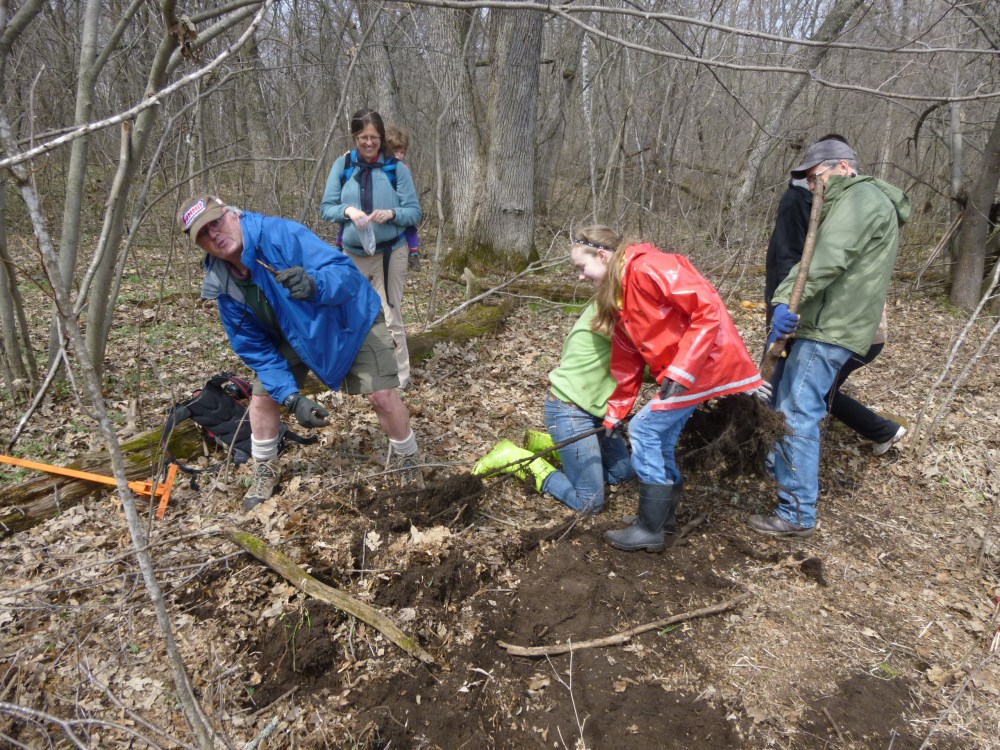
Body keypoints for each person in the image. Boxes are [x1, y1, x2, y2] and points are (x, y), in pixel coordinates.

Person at [177, 194, 423, 511]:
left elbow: (346, 274)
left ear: (232, 214)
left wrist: (315, 283)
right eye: (203, 234)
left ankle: (408, 459)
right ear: (199, 245)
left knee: (382, 396)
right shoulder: (223, 284)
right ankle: (264, 470)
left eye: (216, 223)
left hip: (348, 318)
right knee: (262, 397)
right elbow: (255, 349)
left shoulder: (278, 235)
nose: (215, 235)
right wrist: (292, 400)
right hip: (294, 333)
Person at [752, 137, 911, 539]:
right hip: (825, 323)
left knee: (796, 412)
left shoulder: (860, 200)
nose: (810, 185)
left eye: (814, 175)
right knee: (787, 401)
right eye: (807, 179)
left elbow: (824, 262)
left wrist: (783, 302)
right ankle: (779, 474)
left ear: (842, 167)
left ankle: (797, 513)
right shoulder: (855, 200)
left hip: (831, 328)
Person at [573, 226, 762, 553]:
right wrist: (615, 413)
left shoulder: (648, 267)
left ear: (602, 256)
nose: (580, 276)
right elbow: (627, 360)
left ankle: (649, 528)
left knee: (645, 430)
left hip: (706, 364)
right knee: (657, 435)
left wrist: (681, 368)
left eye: (581, 267)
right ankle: (662, 520)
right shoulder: (620, 294)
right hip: (688, 370)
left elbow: (708, 309)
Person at [470, 301, 635, 513]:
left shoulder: (631, 304)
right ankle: (513, 457)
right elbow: (646, 359)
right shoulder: (614, 306)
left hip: (599, 410)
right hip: (571, 411)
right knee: (590, 503)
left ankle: (551, 445)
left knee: (622, 473)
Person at [320, 109, 422, 389]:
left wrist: (392, 214)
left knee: (391, 315)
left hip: (392, 253)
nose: (368, 143)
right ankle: (352, 374)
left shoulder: (396, 169)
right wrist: (348, 210)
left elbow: (414, 212)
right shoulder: (343, 166)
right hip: (353, 254)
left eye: (374, 138)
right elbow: (326, 208)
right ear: (355, 137)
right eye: (363, 137)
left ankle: (401, 377)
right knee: (349, 313)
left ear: (381, 138)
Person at [384, 125, 422, 273]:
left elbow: (408, 192)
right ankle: (339, 244)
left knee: (411, 226)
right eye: (395, 152)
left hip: (402, 205)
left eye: (402, 152)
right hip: (387, 204)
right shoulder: (383, 167)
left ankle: (414, 253)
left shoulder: (403, 168)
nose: (399, 156)